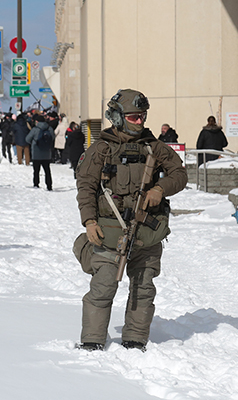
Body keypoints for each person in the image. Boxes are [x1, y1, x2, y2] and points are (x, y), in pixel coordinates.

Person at [74, 89, 187, 351]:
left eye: (143, 116)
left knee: (143, 288)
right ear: (117, 117)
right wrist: (89, 221)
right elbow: (86, 186)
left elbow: (179, 174)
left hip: (147, 233)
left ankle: (135, 340)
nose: (140, 121)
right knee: (102, 288)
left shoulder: (155, 147)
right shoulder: (101, 149)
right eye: (134, 117)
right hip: (109, 233)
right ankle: (92, 341)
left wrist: (160, 189)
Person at [25, 114, 54, 190]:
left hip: (36, 153)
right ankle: (49, 185)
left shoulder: (35, 129)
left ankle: (36, 184)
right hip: (47, 153)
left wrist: (34, 143)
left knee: (36, 170)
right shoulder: (49, 128)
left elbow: (27, 139)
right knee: (47, 170)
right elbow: (53, 137)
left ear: (37, 121)